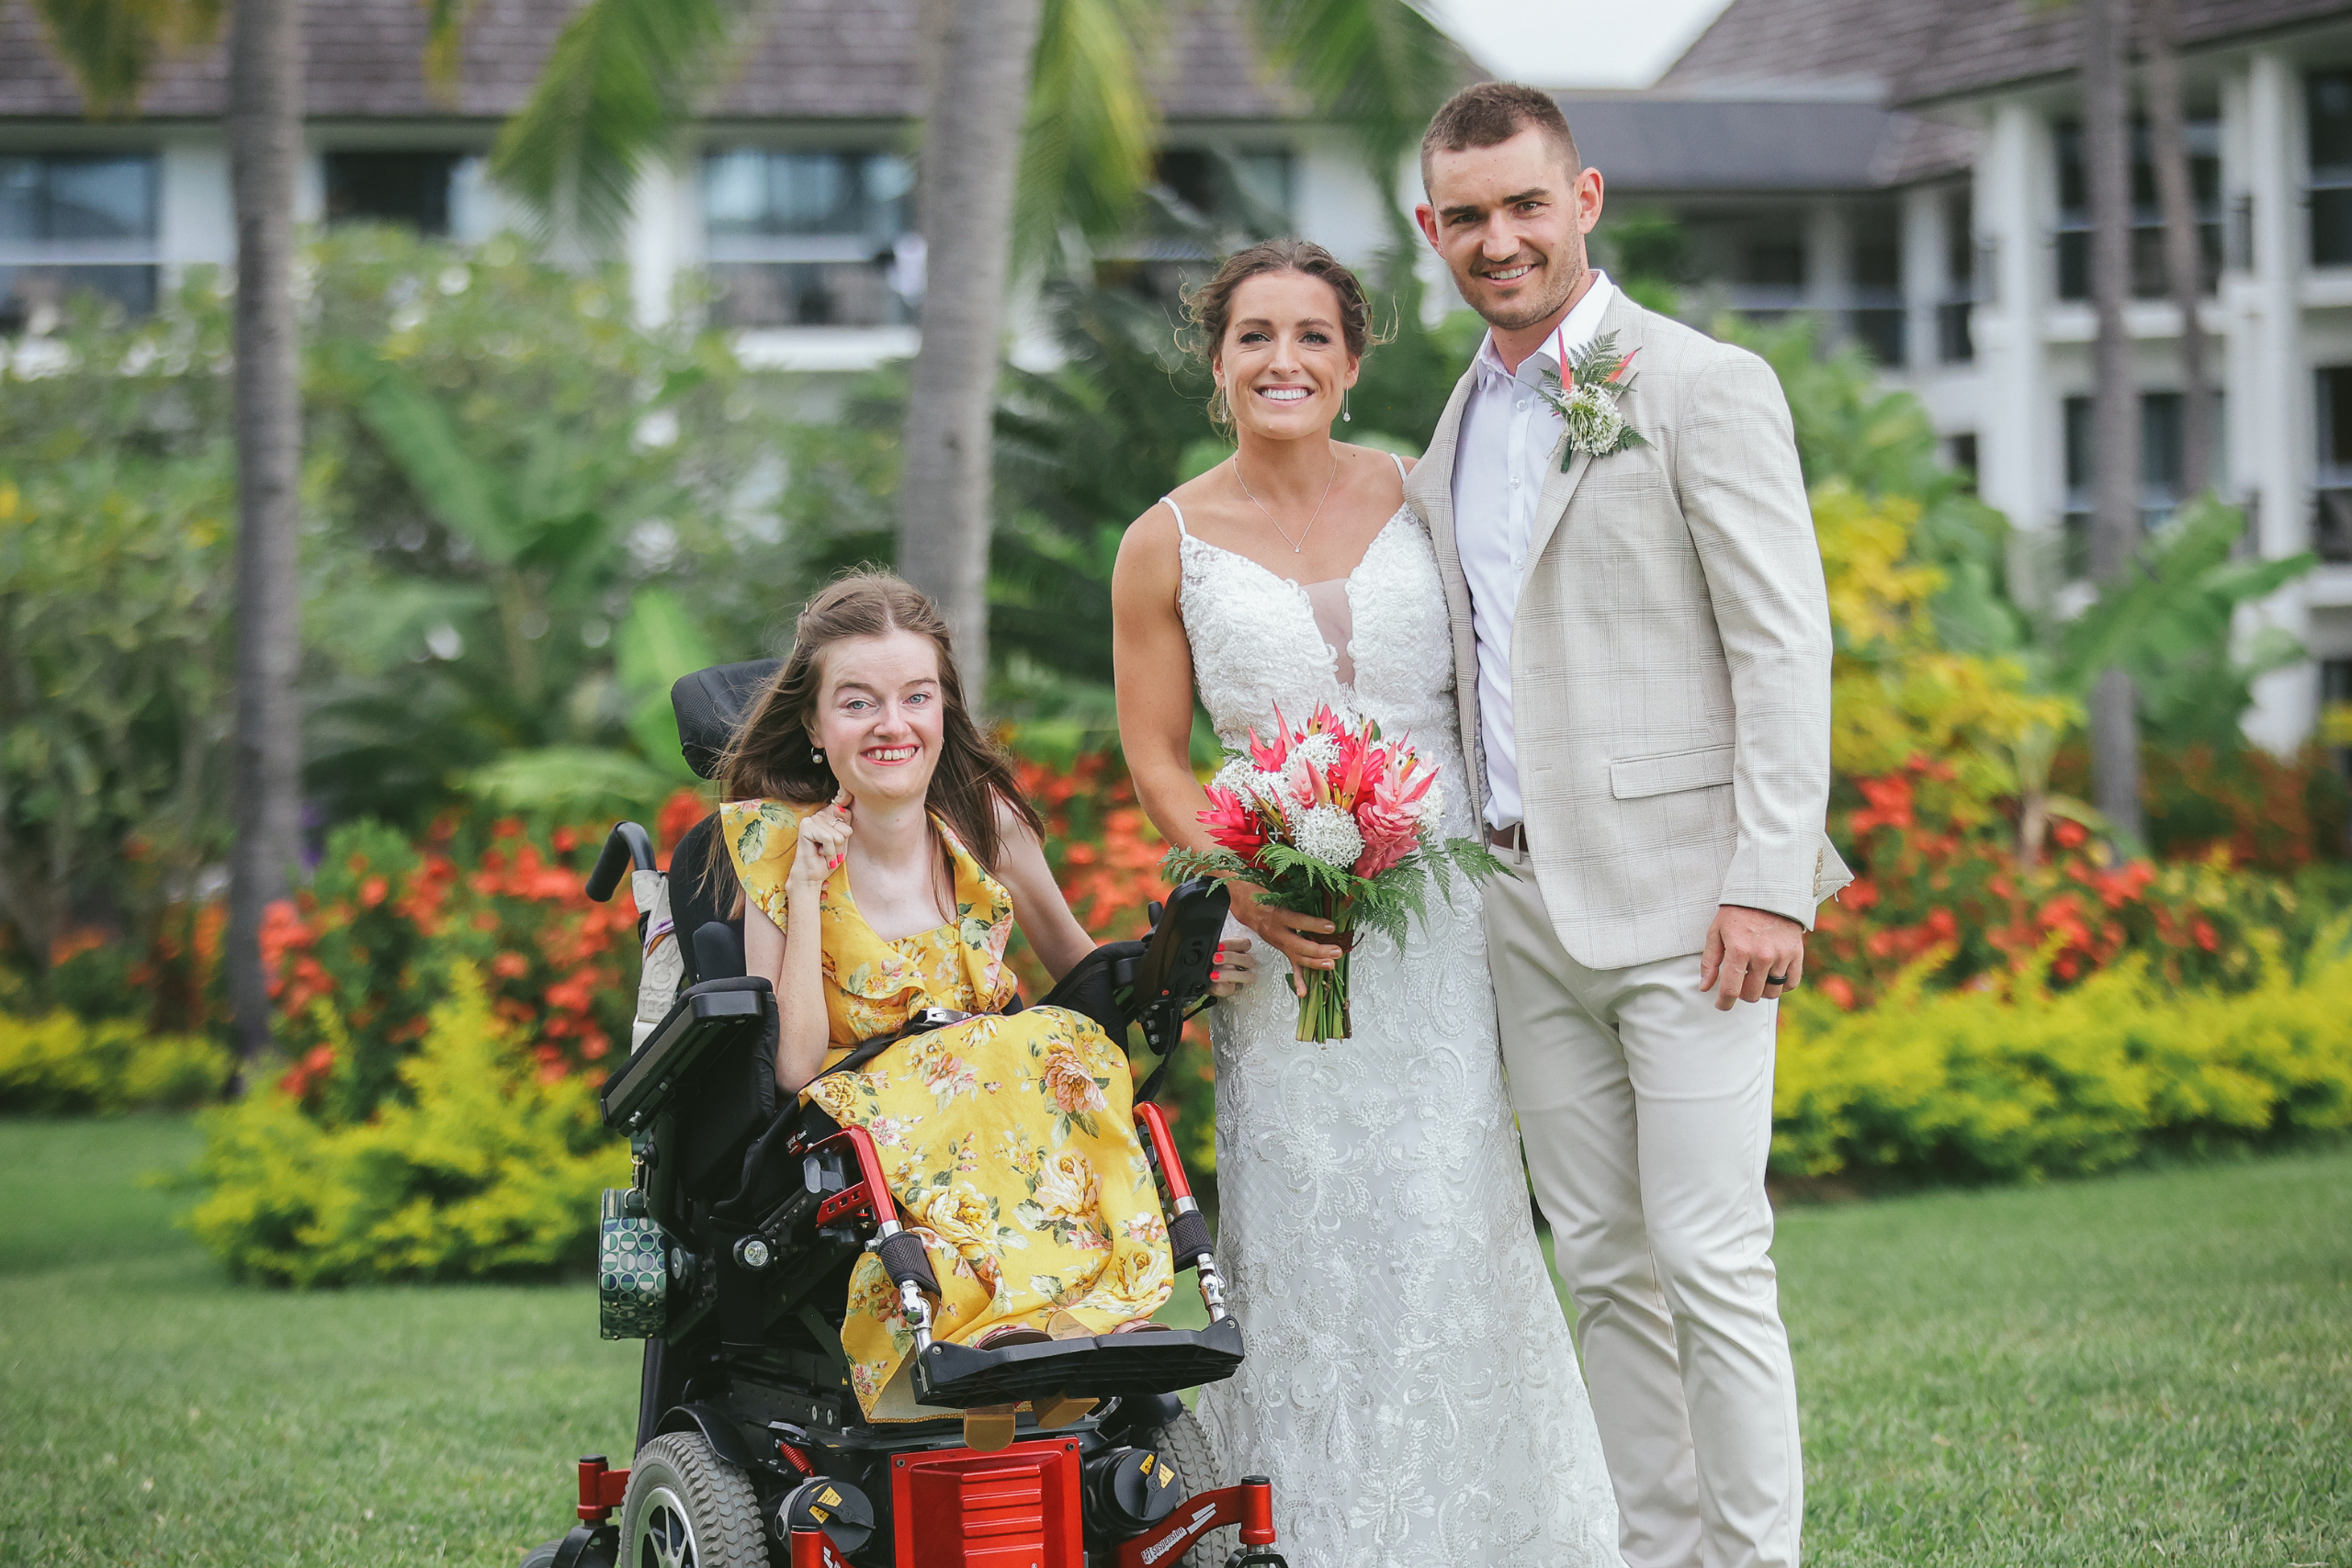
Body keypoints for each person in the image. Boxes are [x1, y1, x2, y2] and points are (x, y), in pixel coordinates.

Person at [1112, 239, 1619, 1565]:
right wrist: (1238, 883)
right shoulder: (1160, 542)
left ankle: (1505, 1523)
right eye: (1255, 337)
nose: (1285, 360)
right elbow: (1160, 754)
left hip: (1451, 920)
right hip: (1285, 935)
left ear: (1353, 355)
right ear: (1215, 361)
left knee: (1459, 1196)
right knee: (1311, 1224)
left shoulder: (1424, 489)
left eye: (1314, 336)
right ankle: (1307, 1527)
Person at [1405, 84, 1851, 1568]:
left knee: (1712, 1258)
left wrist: (1770, 884)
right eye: (1467, 215)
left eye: (1525, 204)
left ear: (1584, 198)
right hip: (1522, 909)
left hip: (1693, 904)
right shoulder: (1453, 421)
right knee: (1599, 1262)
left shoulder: (1702, 384)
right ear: (1431, 229)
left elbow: (1783, 646)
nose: (1499, 238)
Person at [715, 571, 1257, 1450]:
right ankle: (989, 1315)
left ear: (942, 707)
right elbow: (794, 1067)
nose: (893, 725)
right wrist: (808, 892)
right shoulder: (779, 849)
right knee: (992, 1054)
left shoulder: (985, 823)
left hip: (992, 1087)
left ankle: (1091, 1311)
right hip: (863, 1105)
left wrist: (1175, 969)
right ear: (816, 726)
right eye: (859, 703)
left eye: (915, 697)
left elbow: (1080, 974)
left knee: (1053, 1042)